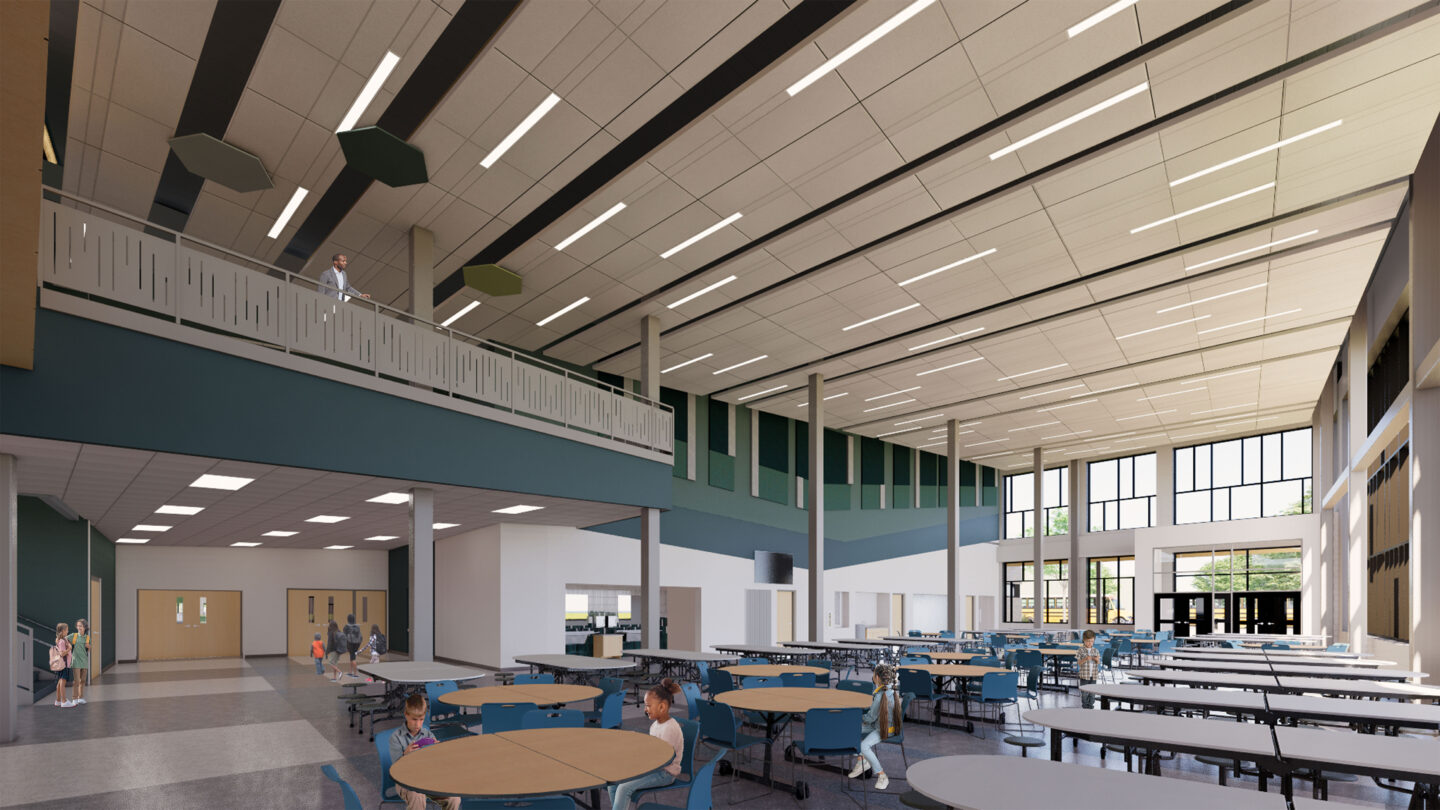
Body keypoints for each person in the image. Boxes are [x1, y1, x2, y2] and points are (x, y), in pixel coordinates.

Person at [608, 678, 684, 810]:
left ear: (662, 706)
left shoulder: (670, 729)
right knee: (612, 782)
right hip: (654, 768)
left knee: (624, 788)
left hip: (665, 773)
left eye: (648, 706)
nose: (645, 709)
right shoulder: (655, 725)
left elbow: (662, 761)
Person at [390, 694, 459, 810]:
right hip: (405, 781)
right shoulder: (396, 737)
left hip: (428, 777)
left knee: (454, 798)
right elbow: (395, 769)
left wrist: (438, 750)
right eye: (414, 719)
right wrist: (405, 754)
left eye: (421, 720)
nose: (417, 724)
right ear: (406, 715)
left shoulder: (427, 734)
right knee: (417, 796)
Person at [848, 662, 902, 790]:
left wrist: (858, 717)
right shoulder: (888, 689)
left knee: (863, 745)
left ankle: (882, 775)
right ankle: (862, 760)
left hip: (884, 729)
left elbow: (870, 718)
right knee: (850, 732)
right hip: (878, 724)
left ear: (877, 678)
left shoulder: (880, 696)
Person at [51, 622, 75, 708]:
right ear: (63, 631)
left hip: (65, 664)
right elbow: (62, 654)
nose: (68, 631)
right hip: (63, 665)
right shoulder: (61, 641)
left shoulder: (64, 640)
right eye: (67, 629)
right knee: (62, 682)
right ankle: (64, 700)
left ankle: (58, 700)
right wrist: (69, 648)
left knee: (60, 682)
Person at [68, 619, 90, 704]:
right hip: (76, 661)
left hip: (84, 661)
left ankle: (81, 698)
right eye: (78, 626)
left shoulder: (87, 638)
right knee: (77, 680)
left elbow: (87, 650)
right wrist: (69, 646)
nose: (79, 627)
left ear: (85, 627)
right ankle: (74, 698)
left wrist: (89, 647)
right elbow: (63, 640)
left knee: (83, 680)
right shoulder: (73, 636)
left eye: (81, 626)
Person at [1077, 629, 1101, 708]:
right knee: (1084, 692)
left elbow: (1098, 662)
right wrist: (1085, 659)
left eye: (1091, 641)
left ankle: (1091, 705)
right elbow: (1079, 663)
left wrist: (1096, 659)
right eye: (1088, 641)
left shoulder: (1095, 650)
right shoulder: (1080, 650)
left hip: (1093, 675)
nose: (1090, 643)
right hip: (1084, 675)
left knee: (1092, 692)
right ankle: (1085, 705)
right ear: (1083, 640)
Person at [343, 614, 363, 678]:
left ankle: (355, 673)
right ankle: (350, 671)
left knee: (352, 657)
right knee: (352, 656)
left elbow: (344, 636)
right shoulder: (357, 626)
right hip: (357, 643)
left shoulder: (346, 627)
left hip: (350, 643)